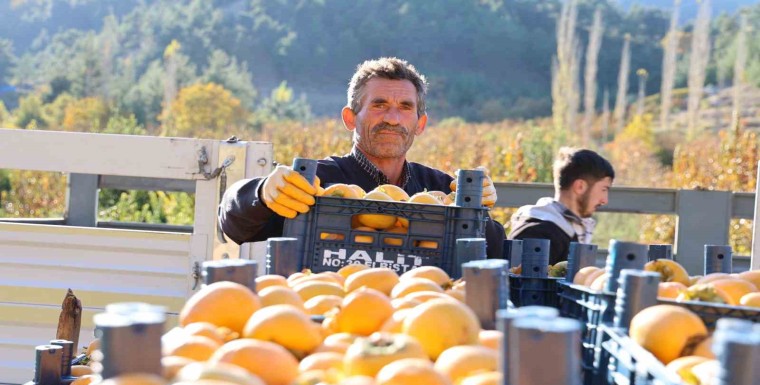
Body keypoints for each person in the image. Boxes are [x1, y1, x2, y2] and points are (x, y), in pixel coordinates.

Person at [218, 56, 506, 259]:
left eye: (405, 107)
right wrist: (261, 193)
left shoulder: (440, 190)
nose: (392, 118)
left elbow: (494, 252)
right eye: (379, 105)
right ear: (350, 118)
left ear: (420, 124)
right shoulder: (316, 183)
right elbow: (235, 224)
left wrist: (478, 212)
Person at [508, 147, 614, 265]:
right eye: (604, 189)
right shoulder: (537, 233)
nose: (605, 200)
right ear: (580, 186)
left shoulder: (566, 229)